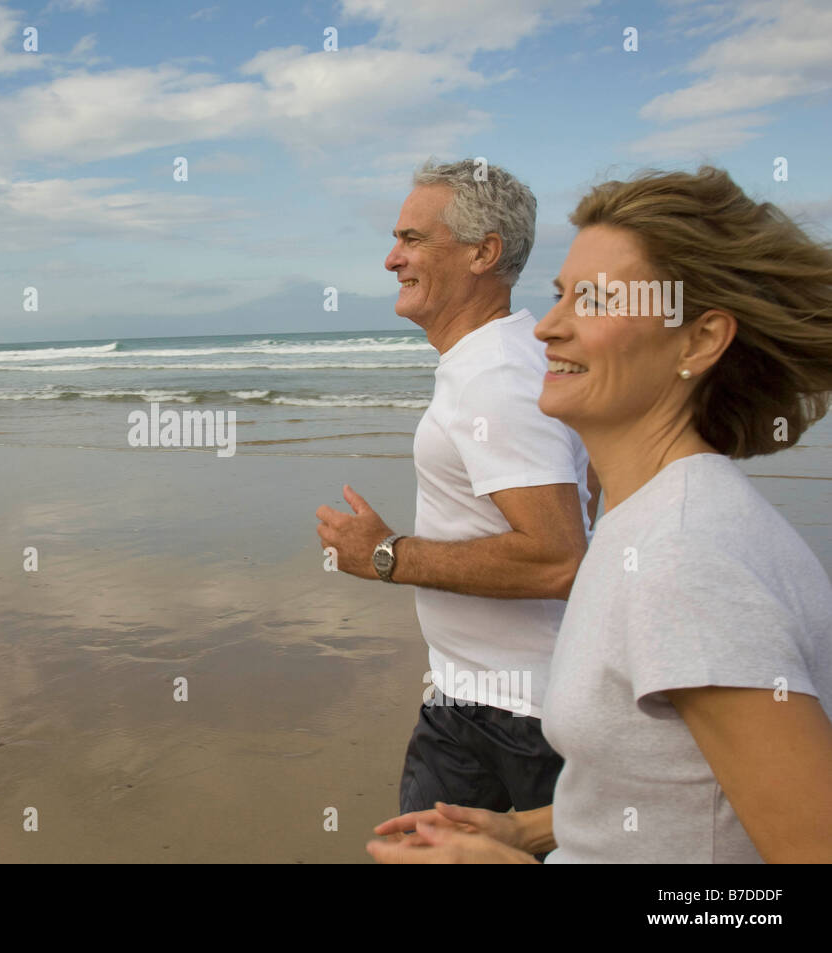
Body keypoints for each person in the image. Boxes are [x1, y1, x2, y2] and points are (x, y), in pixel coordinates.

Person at [368, 166, 832, 863]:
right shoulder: (648, 520)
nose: (549, 327)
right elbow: (675, 787)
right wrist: (525, 830)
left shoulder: (682, 563)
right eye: (559, 294)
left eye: (595, 299)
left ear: (700, 341)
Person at [316, 159, 595, 821]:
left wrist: (387, 555)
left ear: (483, 252)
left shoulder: (495, 375)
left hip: (517, 718)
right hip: (478, 700)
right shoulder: (499, 360)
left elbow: (559, 556)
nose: (391, 258)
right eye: (396, 238)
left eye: (412, 239)